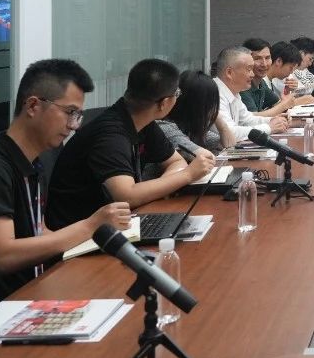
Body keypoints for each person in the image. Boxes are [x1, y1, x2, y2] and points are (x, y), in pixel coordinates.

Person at [0, 59, 133, 311]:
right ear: (33, 105)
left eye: (78, 115)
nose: (74, 125)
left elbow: (39, 232)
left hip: (32, 293)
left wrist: (100, 238)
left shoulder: (33, 164)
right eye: (69, 112)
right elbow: (2, 256)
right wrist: (90, 226)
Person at [46, 58, 214, 230]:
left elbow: (176, 161)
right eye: (176, 94)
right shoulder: (111, 135)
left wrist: (160, 188)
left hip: (117, 224)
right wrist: (187, 175)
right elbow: (126, 196)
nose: (177, 98)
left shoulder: (143, 121)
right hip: (79, 234)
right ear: (164, 103)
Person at [210, 46, 287, 150]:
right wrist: (269, 127)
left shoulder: (234, 92)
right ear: (229, 73)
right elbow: (230, 132)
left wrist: (273, 120)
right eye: (249, 69)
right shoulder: (214, 93)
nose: (252, 74)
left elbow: (247, 120)